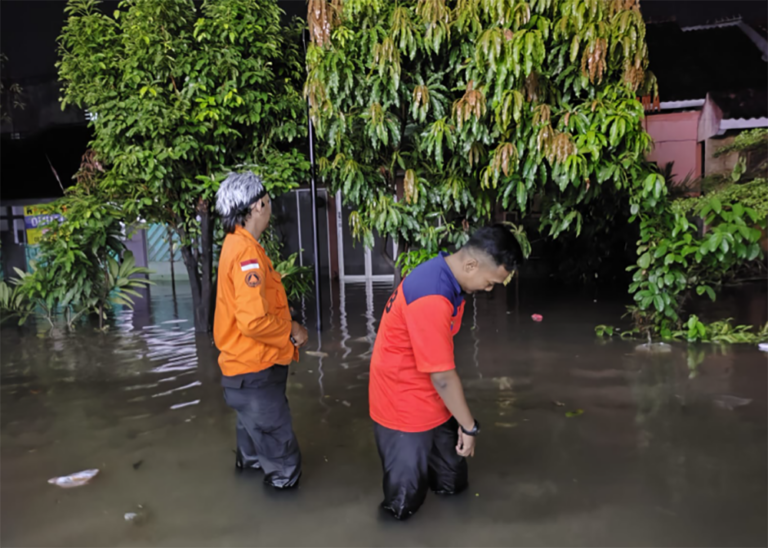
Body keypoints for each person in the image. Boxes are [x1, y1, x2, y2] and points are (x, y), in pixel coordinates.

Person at [369, 225, 520, 519]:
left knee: (453, 482)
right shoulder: (432, 294)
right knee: (404, 503)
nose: (489, 290)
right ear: (471, 264)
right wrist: (470, 427)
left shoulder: (450, 281)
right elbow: (442, 376)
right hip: (403, 404)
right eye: (489, 283)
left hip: (434, 399)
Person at [213, 171, 309, 489]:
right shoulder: (246, 254)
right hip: (255, 374)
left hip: (242, 376)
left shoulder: (235, 244)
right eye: (268, 202)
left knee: (253, 459)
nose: (270, 209)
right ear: (258, 205)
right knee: (284, 468)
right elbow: (253, 322)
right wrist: (292, 329)